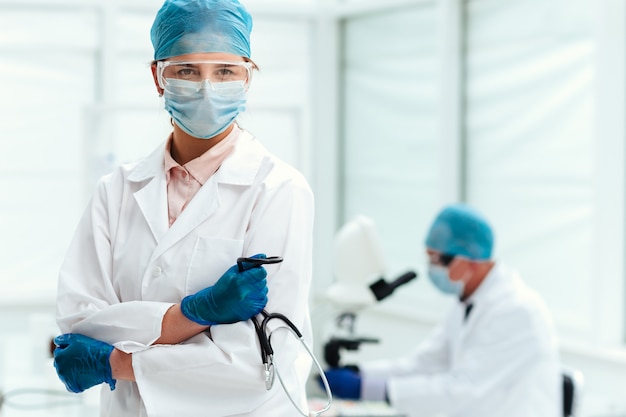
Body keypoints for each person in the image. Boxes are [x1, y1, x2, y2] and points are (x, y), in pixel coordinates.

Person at [52, 1, 315, 416]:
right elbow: (82, 324)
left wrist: (115, 362)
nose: (207, 87)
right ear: (158, 77)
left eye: (225, 71)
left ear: (248, 78)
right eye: (187, 71)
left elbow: (255, 364)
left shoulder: (279, 189)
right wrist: (196, 315)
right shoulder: (116, 190)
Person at [322, 203, 562, 417]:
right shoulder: (467, 301)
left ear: (468, 259)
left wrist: (371, 389)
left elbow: (462, 389)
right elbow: (424, 363)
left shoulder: (516, 310)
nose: (430, 269)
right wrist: (360, 374)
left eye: (436, 261)